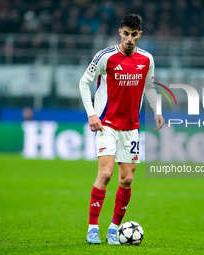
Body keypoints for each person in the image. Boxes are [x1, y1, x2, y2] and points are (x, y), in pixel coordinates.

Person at [79, 13, 164, 245]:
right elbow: (84, 82)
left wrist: (157, 111)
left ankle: (114, 228)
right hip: (106, 124)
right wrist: (92, 113)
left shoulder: (147, 59)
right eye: (125, 33)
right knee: (105, 174)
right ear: (120, 32)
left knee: (126, 180)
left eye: (133, 34)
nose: (129, 38)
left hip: (131, 128)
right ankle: (93, 227)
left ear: (140, 35)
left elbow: (149, 86)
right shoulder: (105, 56)